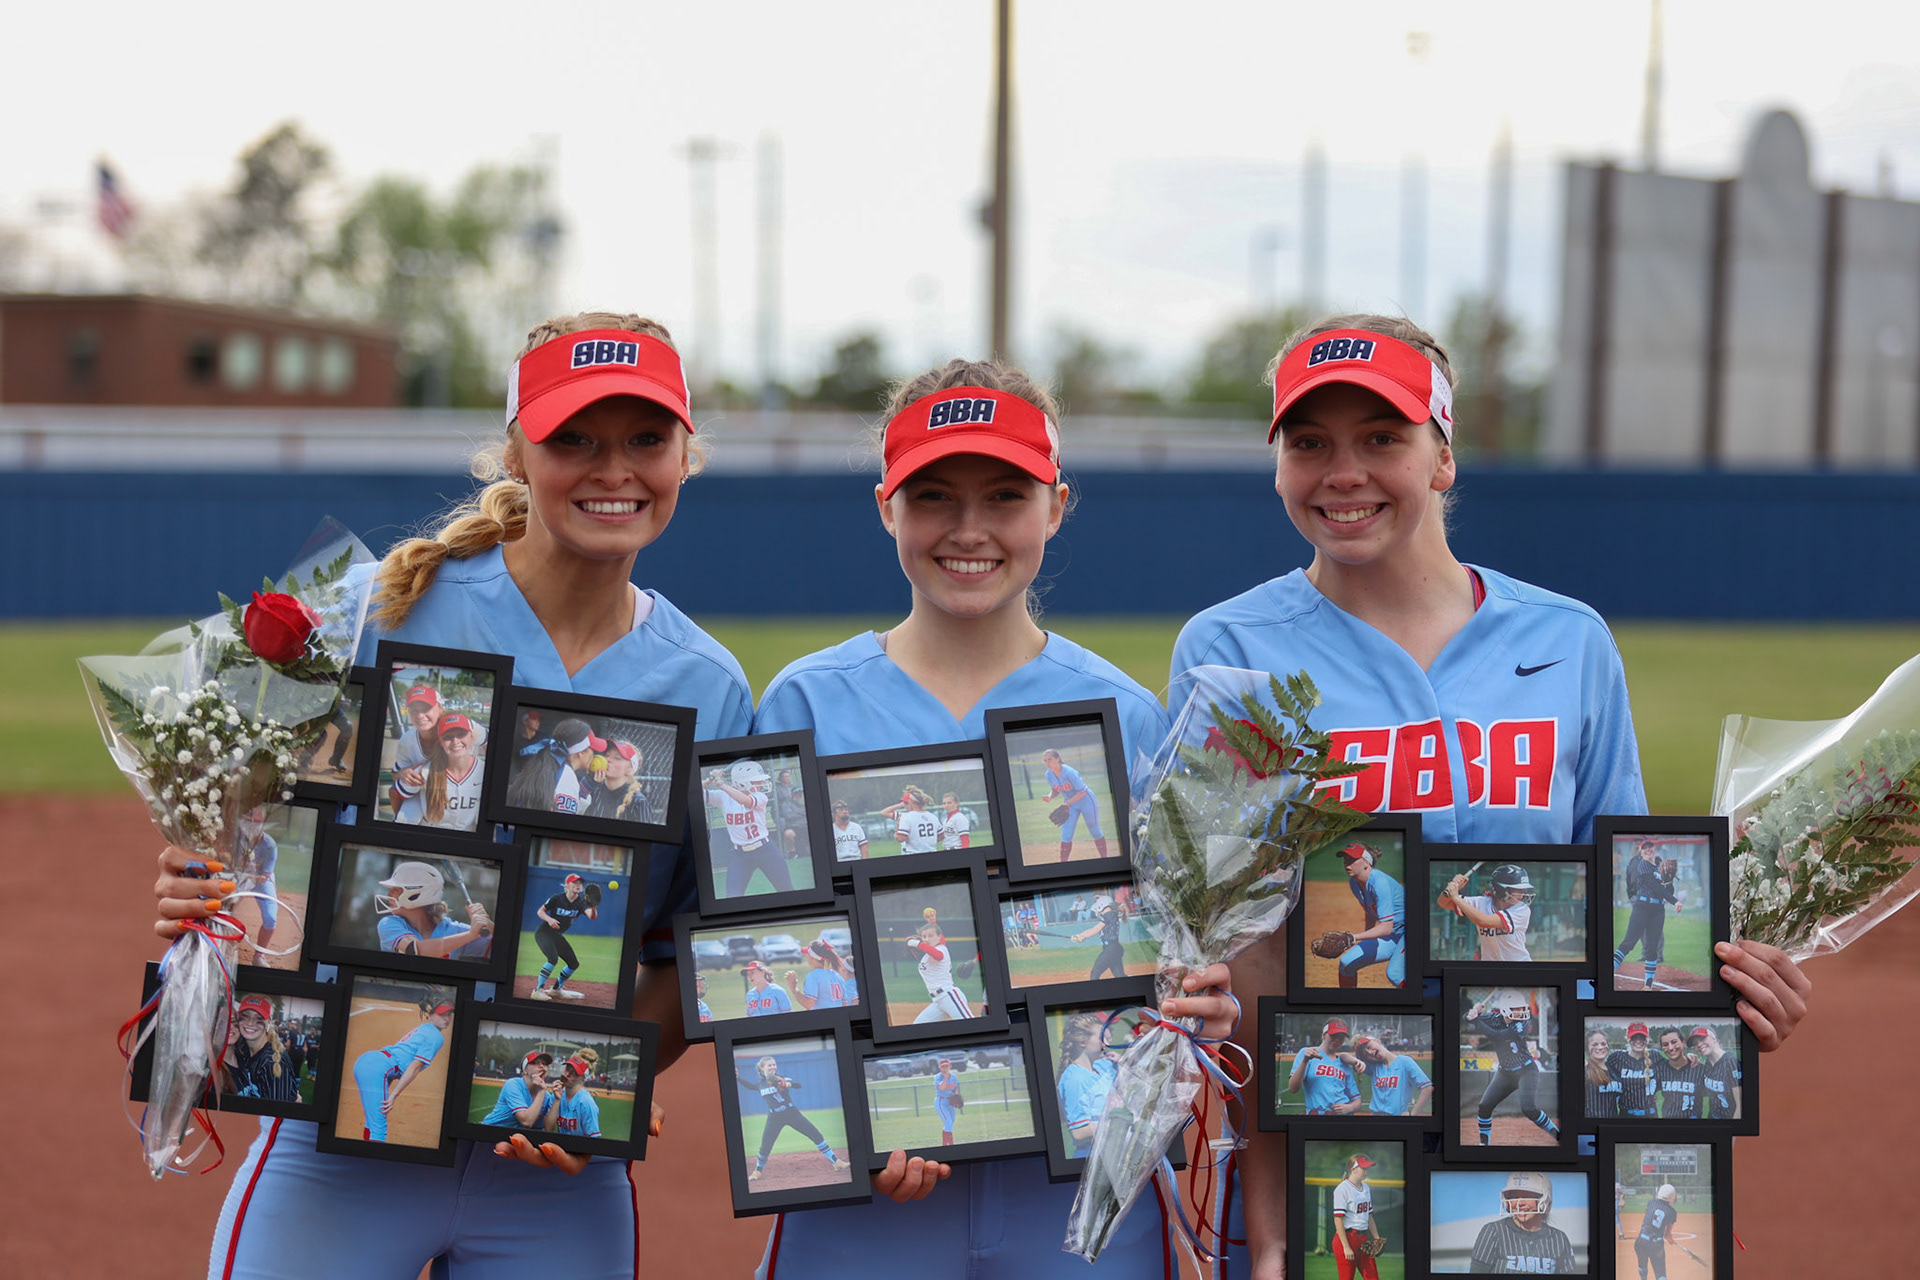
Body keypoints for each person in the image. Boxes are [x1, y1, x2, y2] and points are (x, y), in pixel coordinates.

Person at [1168, 314, 1810, 1278]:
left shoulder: (1570, 640)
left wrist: (1735, 988)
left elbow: (1632, 900)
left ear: (1443, 456)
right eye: (1310, 444)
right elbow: (1249, 965)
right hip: (1344, 1146)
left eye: (1382, 438)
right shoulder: (1230, 655)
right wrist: (1271, 1240)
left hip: (1547, 1156)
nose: (1343, 472)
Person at [152, 311, 753, 1277]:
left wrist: (594, 1073)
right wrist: (206, 888)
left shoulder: (710, 686)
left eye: (647, 438)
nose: (614, 470)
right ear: (514, 451)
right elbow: (258, 837)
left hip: (552, 1170)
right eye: (574, 440)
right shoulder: (378, 609)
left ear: (688, 454)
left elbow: (687, 946)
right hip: (339, 1146)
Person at [749, 359, 1204, 1278]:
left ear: (1057, 506)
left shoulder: (1126, 715)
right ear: (887, 506)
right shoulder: (805, 702)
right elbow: (775, 952)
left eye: (1004, 495)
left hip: (1073, 1200)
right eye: (933, 496)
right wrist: (843, 1125)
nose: (968, 529)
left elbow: (1174, 950)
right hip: (869, 1202)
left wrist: (1197, 1000)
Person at [1462, 989, 1561, 1146]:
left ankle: (1559, 1136)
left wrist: (1476, 1021)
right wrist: (1472, 1013)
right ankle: (1484, 1145)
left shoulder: (1522, 1023)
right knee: (1484, 1106)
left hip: (1526, 1071)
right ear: (1505, 1009)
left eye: (1522, 1008)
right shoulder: (1494, 1018)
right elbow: (1466, 1018)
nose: (1521, 1011)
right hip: (1505, 1073)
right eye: (1516, 1008)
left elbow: (1498, 1036)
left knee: (1529, 1109)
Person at [738, 1054, 852, 1181]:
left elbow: (798, 1085)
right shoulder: (760, 1084)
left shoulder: (782, 1078)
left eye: (774, 1064)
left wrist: (787, 1084)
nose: (772, 1066)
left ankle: (836, 1162)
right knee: (765, 1146)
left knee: (816, 1135)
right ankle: (757, 1171)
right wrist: (738, 1078)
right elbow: (750, 1086)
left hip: (791, 1113)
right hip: (774, 1117)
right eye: (769, 1065)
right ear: (762, 1068)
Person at [353, 1000, 453, 1144]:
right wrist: (393, 1096)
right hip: (377, 1068)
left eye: (449, 1015)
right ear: (430, 1015)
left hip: (371, 1062)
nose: (447, 1019)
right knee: (378, 1127)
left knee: (373, 1121)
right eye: (442, 1014)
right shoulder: (436, 1037)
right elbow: (414, 1068)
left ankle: (365, 1157)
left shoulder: (424, 1028)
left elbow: (397, 1068)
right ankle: (372, 1162)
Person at [374, 861, 493, 961]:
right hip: (398, 989)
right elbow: (416, 950)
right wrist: (470, 935)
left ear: (416, 894)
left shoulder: (452, 929)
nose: (389, 894)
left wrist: (487, 923)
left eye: (396, 890)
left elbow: (503, 950)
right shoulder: (389, 923)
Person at [708, 759, 792, 895]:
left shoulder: (760, 796)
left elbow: (745, 801)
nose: (761, 783)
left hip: (766, 850)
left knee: (787, 891)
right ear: (742, 783)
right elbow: (696, 793)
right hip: (740, 855)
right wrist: (709, 780)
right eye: (756, 781)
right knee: (732, 898)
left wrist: (721, 784)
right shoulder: (723, 797)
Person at [1468, 1172, 1577, 1275]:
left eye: (1527, 1196)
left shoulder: (1559, 1239)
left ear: (1545, 1200)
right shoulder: (1494, 1231)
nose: (1520, 1203)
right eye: (1514, 1197)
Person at [1332, 842, 1405, 987]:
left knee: (1395, 974)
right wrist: (1366, 939)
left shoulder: (1379, 883)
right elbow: (1370, 912)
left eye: (1352, 860)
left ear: (1366, 863)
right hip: (1393, 935)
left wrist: (1354, 938)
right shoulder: (1354, 882)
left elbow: (1386, 928)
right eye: (1345, 859)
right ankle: (1349, 1008)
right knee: (1346, 963)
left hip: (1411, 932)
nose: (1347, 864)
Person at [1614, 838, 1681, 991]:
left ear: (1654, 850)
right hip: (1642, 907)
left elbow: (1667, 890)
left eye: (1650, 848)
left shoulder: (1659, 865)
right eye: (1645, 848)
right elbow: (1655, 887)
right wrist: (1675, 901)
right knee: (1629, 942)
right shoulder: (1642, 864)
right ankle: (1606, 974)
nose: (1648, 850)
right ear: (1641, 851)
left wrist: (1669, 879)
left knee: (1652, 947)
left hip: (1658, 910)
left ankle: (1648, 985)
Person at [1438, 863, 1534, 962]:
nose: (1522, 893)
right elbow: (1443, 903)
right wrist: (1452, 889)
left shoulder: (1522, 910)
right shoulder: (1482, 902)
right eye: (1518, 889)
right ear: (1501, 889)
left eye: (1523, 889)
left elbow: (1484, 921)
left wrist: (1455, 897)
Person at [1056, 1011, 1120, 1157]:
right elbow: (1079, 1132)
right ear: (1083, 1042)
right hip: (1092, 1160)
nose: (1107, 1043)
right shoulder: (1075, 1079)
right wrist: (1117, 1126)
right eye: (1101, 1038)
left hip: (1113, 1155)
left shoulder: (1101, 1066)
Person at [510, 717, 600, 816]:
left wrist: (584, 789)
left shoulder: (548, 766)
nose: (594, 754)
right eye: (592, 749)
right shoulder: (566, 777)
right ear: (580, 753)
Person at [219, 994, 300, 1103]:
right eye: (245, 1016)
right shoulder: (243, 1049)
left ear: (268, 1022)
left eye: (259, 1018)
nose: (250, 1023)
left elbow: (275, 1116)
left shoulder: (271, 1062)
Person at [528, 873, 596, 1000]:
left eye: (580, 883)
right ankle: (537, 990)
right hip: (544, 933)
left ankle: (556, 990)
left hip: (556, 936)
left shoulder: (581, 903)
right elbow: (540, 911)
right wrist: (549, 919)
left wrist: (594, 907)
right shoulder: (557, 898)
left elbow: (591, 916)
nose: (578, 885)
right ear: (567, 885)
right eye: (575, 882)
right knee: (552, 958)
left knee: (573, 964)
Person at [386, 684, 445, 823]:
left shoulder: (453, 736)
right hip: (420, 793)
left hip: (450, 793)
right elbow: (395, 777)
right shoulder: (407, 740)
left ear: (440, 709)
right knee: (401, 820)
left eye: (426, 708)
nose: (419, 715)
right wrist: (403, 773)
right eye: (414, 710)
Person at [229, 806, 281, 963]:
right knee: (223, 909)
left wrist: (250, 876)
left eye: (257, 821)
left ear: (263, 823)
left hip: (260, 881)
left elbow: (264, 876)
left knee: (271, 917)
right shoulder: (234, 839)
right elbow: (228, 865)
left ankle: (259, 955)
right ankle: (223, 944)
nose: (252, 824)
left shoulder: (270, 845)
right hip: (240, 878)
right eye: (248, 820)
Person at [1286, 1019, 1364, 1116]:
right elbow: (1293, 1088)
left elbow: (1357, 1101)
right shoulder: (1307, 1053)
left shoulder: (1344, 1062)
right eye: (1333, 1035)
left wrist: (1349, 1108)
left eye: (1341, 1037)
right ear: (1323, 1035)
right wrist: (1305, 1061)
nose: (1337, 1040)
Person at [1040, 748, 1106, 862]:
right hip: (1069, 804)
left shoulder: (1069, 772)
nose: (1047, 762)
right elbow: (1056, 790)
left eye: (1049, 759)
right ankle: (1063, 864)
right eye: (1045, 760)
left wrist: (1068, 803)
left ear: (1058, 759)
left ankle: (1105, 860)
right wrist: (1050, 796)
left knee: (1094, 829)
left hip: (1086, 801)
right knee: (1066, 834)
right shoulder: (1049, 774)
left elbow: (1082, 791)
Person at [423, 712, 485, 831]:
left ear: (471, 737)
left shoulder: (484, 772)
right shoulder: (426, 771)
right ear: (440, 742)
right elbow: (397, 794)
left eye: (461, 734)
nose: (455, 741)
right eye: (448, 737)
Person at [905, 921, 974, 1023]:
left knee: (970, 1024)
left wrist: (917, 944)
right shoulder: (928, 954)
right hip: (938, 1001)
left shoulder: (941, 949)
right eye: (924, 936)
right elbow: (931, 949)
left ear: (939, 937)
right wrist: (932, 921)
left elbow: (938, 955)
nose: (927, 939)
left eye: (930, 936)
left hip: (948, 995)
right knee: (918, 1025)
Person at [1350, 1035, 1431, 1116]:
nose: (1370, 1052)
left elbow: (1427, 1088)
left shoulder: (1405, 1062)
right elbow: (1345, 1058)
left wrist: (1412, 1114)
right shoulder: (1374, 1067)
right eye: (1366, 1054)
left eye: (1369, 1046)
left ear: (1378, 1041)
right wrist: (1357, 1050)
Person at [1330, 1154, 1382, 1280]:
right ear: (1353, 1170)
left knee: (1373, 1277)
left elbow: (1369, 1216)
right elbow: (1338, 1219)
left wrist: (1377, 1238)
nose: (1366, 1171)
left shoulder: (1366, 1188)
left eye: (1368, 1168)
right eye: (1363, 1168)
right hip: (1346, 1238)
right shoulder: (1342, 1189)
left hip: (1363, 1239)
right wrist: (1346, 1247)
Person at [481, 1051, 559, 1130]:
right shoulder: (513, 1085)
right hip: (491, 1132)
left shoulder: (547, 1097)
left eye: (545, 1064)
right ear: (525, 1070)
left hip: (517, 1138)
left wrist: (557, 1099)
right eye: (535, 1063)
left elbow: (549, 1128)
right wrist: (541, 1091)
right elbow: (526, 1122)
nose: (542, 1066)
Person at [586, 739, 654, 825]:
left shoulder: (638, 802)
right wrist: (587, 785)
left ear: (630, 770)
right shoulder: (593, 791)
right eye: (607, 755)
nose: (608, 759)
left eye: (617, 758)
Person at [1651, 1027, 1706, 1119]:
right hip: (1669, 1123)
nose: (1670, 1048)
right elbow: (1646, 1090)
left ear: (1683, 1042)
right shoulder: (1659, 1069)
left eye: (1674, 1042)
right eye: (1665, 1045)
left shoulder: (1699, 1069)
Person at [1071, 893, 1127, 981]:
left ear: (1102, 906)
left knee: (1095, 974)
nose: (1099, 911)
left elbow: (1096, 929)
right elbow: (1094, 929)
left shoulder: (1109, 914)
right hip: (1113, 949)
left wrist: (1082, 936)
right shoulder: (1111, 914)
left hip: (1111, 950)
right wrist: (1079, 936)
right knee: (1120, 976)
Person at [1690, 1025, 1741, 1120]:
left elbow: (1741, 1105)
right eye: (1695, 1043)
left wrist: (1733, 1132)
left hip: (1727, 1122)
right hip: (1712, 1119)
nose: (1699, 1044)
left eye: (1702, 1039)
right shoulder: (1707, 1063)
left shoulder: (1731, 1062)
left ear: (1714, 1038)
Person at [1633, 1183, 1681, 1280]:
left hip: (1641, 1241)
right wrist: (1670, 1239)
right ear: (1670, 1197)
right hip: (1656, 1245)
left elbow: (1652, 1222)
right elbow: (1667, 1234)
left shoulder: (1651, 1203)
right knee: (1660, 1274)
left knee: (1642, 1265)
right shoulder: (1672, 1213)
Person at [551, 1049, 604, 1138]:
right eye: (567, 1069)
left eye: (574, 1073)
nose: (567, 1074)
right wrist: (557, 1100)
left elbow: (594, 1141)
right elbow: (548, 1128)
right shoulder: (558, 1094)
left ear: (583, 1079)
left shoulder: (586, 1103)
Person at [787, 940, 853, 1010]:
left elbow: (809, 1004)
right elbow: (844, 1004)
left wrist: (793, 988)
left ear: (813, 956)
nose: (806, 956)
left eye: (808, 954)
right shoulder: (837, 975)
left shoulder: (813, 976)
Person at [883, 786, 941, 855]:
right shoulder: (932, 817)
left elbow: (900, 838)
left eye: (907, 802)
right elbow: (941, 835)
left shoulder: (906, 817)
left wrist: (896, 833)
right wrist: (927, 841)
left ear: (912, 801)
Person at [1584, 1028, 1622, 1120]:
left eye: (1603, 1044)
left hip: (1611, 1124)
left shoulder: (1614, 1070)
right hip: (1591, 1124)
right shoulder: (1585, 1069)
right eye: (1595, 1044)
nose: (1600, 1047)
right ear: (1587, 1048)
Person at [932, 1058, 963, 1147]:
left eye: (947, 1066)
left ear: (950, 1066)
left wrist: (956, 1095)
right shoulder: (937, 1077)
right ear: (939, 1068)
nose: (945, 1068)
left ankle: (946, 1144)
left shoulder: (954, 1077)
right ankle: (948, 1144)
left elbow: (955, 1088)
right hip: (941, 1102)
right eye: (943, 1067)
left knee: (951, 1123)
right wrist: (945, 1078)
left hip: (950, 1102)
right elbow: (941, 1088)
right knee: (948, 1122)